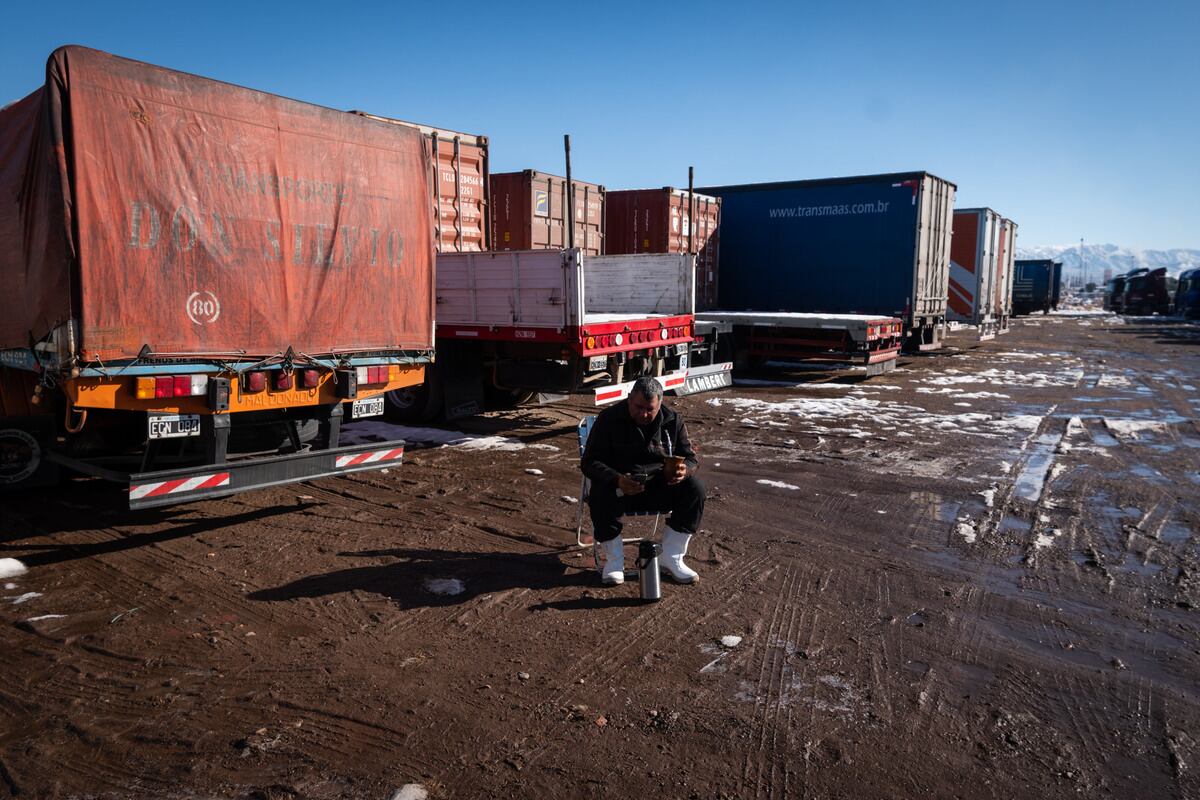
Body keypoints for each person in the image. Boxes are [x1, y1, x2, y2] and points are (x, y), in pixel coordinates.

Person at [580, 376, 706, 586]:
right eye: (638, 407)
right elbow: (589, 462)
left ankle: (671, 557)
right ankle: (614, 561)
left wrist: (685, 470)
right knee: (599, 491)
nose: (644, 414)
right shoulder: (609, 418)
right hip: (620, 491)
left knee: (695, 488)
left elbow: (691, 458)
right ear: (629, 399)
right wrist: (617, 479)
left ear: (660, 403)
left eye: (650, 409)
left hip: (658, 488)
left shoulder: (672, 420)